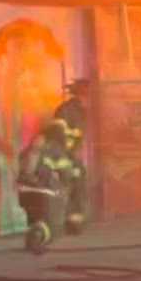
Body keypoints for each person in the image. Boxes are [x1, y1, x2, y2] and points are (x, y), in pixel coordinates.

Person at [16, 119, 80, 253]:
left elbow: (21, 165)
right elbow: (66, 174)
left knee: (36, 218)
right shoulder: (55, 149)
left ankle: (35, 232)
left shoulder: (31, 147)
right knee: (53, 226)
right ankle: (37, 237)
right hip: (44, 192)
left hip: (23, 193)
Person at [53, 79, 91, 233]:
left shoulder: (81, 110)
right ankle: (70, 223)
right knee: (71, 188)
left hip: (73, 155)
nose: (89, 96)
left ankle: (74, 223)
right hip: (66, 156)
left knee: (78, 188)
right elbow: (58, 134)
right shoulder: (66, 110)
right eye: (86, 92)